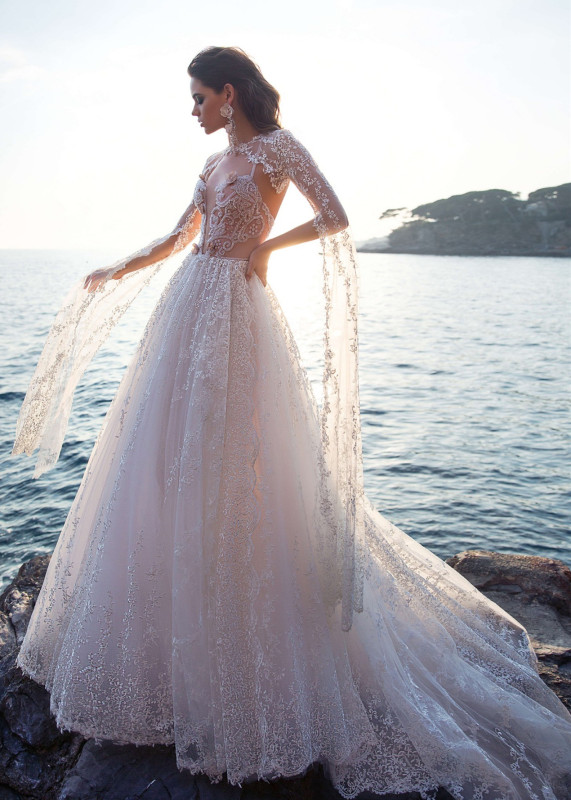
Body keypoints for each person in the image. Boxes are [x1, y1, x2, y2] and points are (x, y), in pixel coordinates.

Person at [12, 46, 571, 800]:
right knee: (161, 461)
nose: (194, 109)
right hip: (185, 313)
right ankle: (169, 651)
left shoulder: (278, 150)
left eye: (199, 96)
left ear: (230, 93)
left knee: (245, 462)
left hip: (241, 316)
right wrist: (118, 267)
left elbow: (335, 217)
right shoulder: (211, 167)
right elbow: (182, 235)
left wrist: (265, 246)